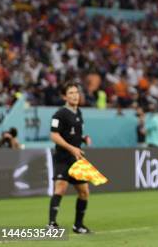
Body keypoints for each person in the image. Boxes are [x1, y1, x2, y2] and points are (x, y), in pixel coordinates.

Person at [48, 82, 92, 234]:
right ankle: (52, 225)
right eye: (71, 93)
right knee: (61, 187)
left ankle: (78, 225)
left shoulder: (78, 113)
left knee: (84, 192)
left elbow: (74, 134)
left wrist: (83, 139)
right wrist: (71, 148)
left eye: (76, 92)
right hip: (62, 157)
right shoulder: (59, 114)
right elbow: (53, 135)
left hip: (76, 159)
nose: (75, 95)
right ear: (64, 96)